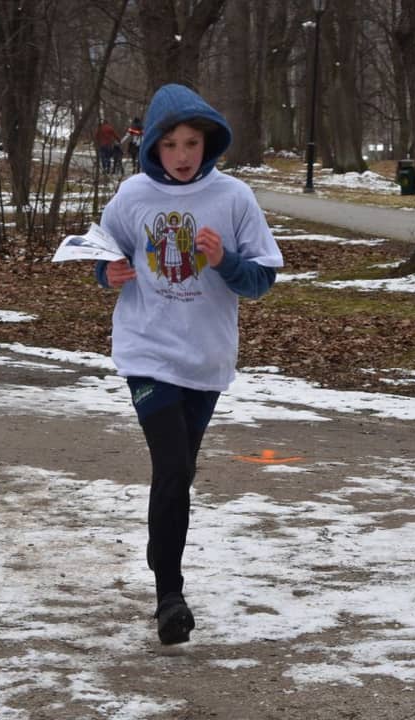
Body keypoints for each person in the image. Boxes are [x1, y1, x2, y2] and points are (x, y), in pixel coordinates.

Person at [94, 84, 283, 645]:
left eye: (192, 143)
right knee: (173, 467)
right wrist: (107, 272)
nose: (181, 155)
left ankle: (163, 551)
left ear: (209, 143)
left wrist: (225, 260)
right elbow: (104, 251)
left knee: (179, 474)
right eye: (171, 143)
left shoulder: (234, 198)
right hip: (146, 351)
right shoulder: (132, 195)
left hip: (205, 357)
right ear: (153, 145)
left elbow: (262, 279)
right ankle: (170, 598)